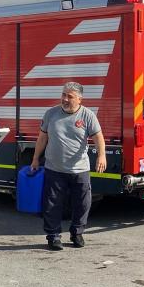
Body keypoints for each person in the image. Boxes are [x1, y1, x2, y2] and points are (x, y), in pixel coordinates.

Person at [31, 82, 107, 251]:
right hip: (54, 169)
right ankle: (53, 236)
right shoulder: (51, 114)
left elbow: (98, 138)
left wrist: (101, 155)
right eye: (63, 95)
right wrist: (35, 159)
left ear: (80, 99)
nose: (65, 99)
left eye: (70, 96)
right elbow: (42, 138)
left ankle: (77, 233)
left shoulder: (87, 116)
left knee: (83, 203)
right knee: (52, 204)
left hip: (79, 169)